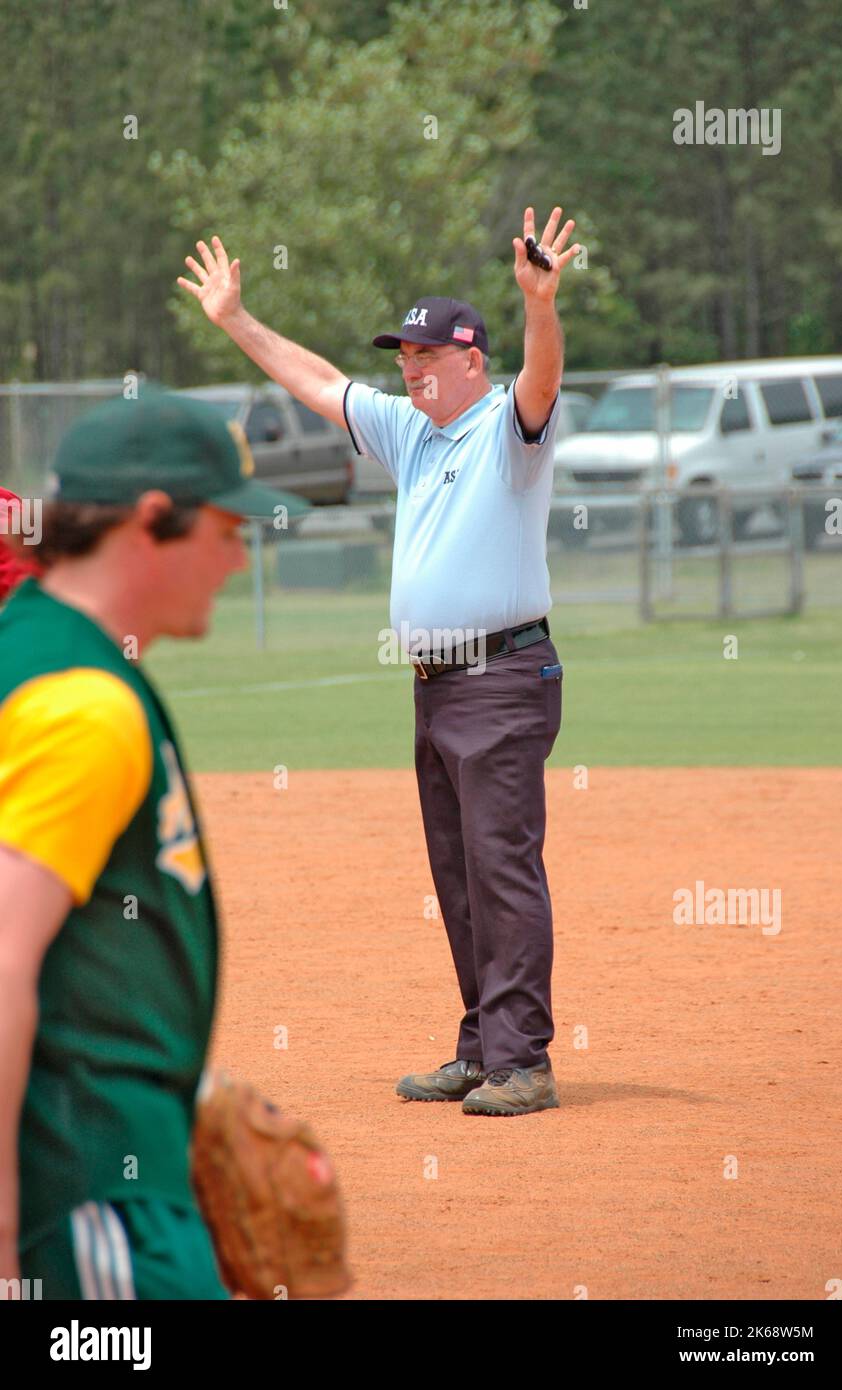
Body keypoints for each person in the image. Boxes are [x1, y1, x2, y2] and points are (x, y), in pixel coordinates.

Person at [178, 206, 579, 1117]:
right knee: (459, 871)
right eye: (404, 356)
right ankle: (484, 1049)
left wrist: (539, 304)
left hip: (504, 677)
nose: (409, 368)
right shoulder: (411, 433)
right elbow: (319, 382)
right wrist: (236, 320)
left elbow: (544, 379)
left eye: (426, 356)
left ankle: (525, 1063)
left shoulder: (508, 431)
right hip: (437, 688)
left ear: (472, 362)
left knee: (502, 867)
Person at [0, 388, 297, 1298]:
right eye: (224, 529)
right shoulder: (84, 704)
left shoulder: (40, 649)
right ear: (153, 521)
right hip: (87, 1198)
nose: (237, 559)